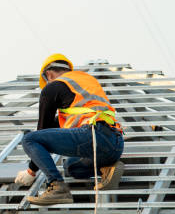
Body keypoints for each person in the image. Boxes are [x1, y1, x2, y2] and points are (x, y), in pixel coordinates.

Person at [14, 54, 125, 206]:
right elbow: (54, 127)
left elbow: (42, 129)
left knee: (29, 139)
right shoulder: (86, 81)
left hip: (93, 134)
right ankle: (107, 168)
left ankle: (57, 187)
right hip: (115, 142)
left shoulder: (52, 87)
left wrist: (31, 171)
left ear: (49, 74)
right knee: (72, 167)